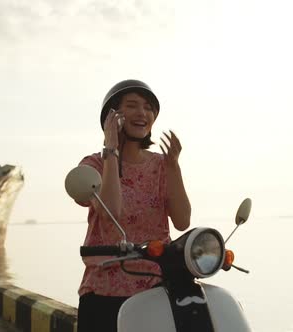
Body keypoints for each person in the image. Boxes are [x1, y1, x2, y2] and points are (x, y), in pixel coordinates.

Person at [73, 79, 192, 332]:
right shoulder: (94, 165)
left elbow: (182, 221)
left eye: (148, 107)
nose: (142, 113)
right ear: (111, 116)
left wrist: (173, 166)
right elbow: (111, 213)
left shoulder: (162, 164)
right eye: (132, 106)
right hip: (105, 289)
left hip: (155, 286)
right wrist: (111, 150)